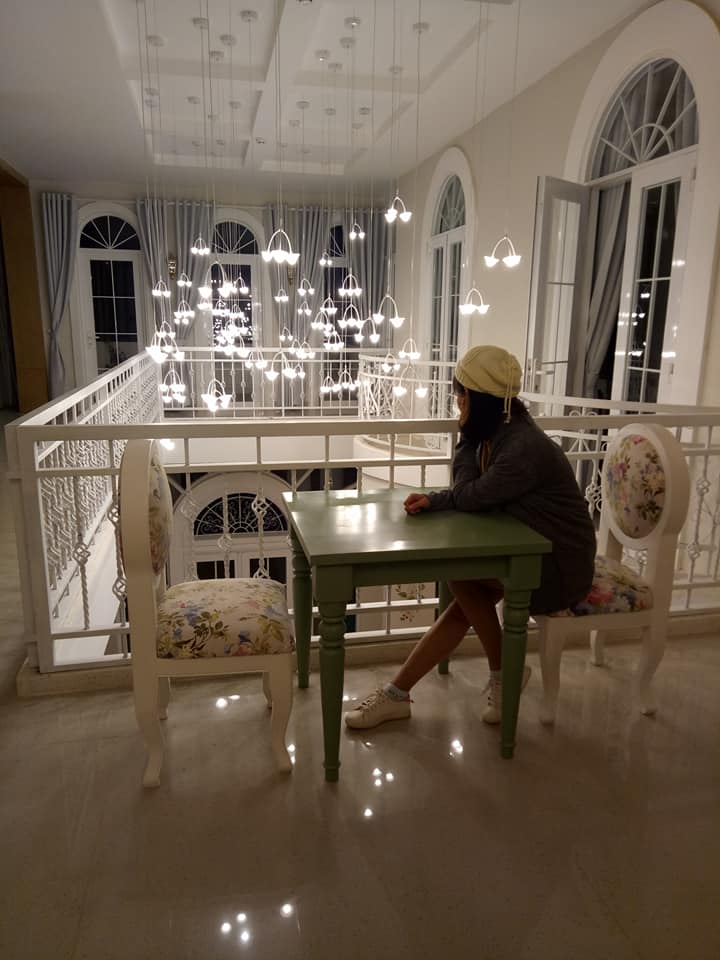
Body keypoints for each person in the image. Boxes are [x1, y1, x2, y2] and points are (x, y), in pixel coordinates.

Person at [345, 344, 596, 730]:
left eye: (461, 394)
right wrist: (437, 498)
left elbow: (471, 494)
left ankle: (496, 674)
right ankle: (403, 692)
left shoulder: (522, 447)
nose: (457, 401)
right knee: (463, 587)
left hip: (559, 564)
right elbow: (472, 492)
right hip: (525, 547)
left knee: (461, 580)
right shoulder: (499, 430)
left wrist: (462, 444)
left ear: (478, 400)